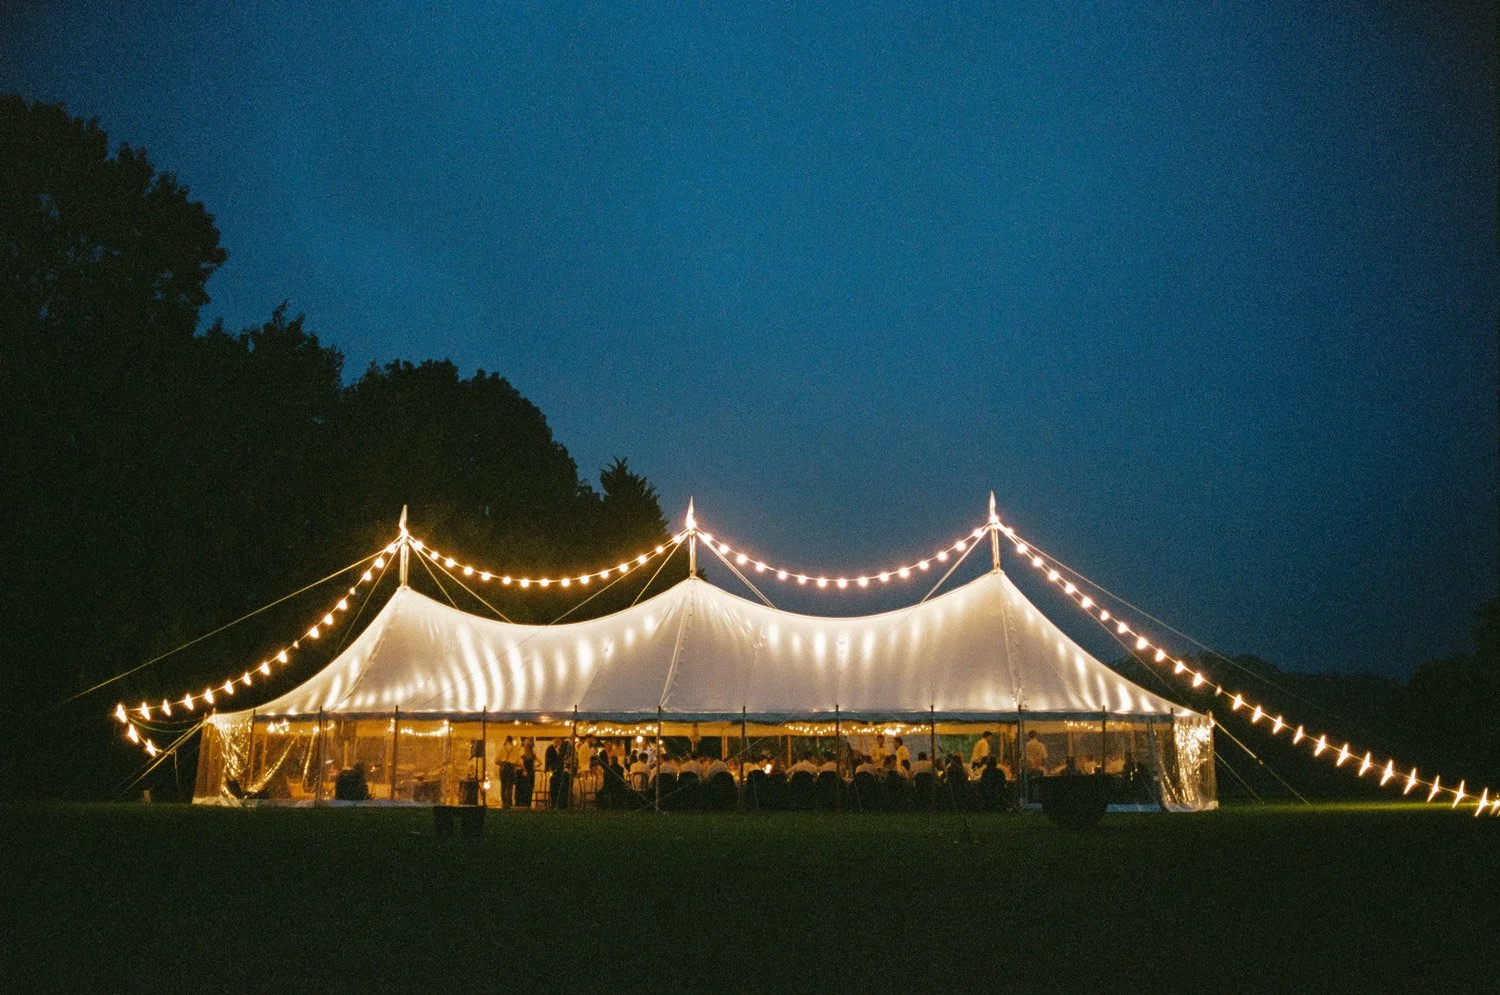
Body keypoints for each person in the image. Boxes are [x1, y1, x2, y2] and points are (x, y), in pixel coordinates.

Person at [496, 736, 519, 808]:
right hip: (511, 768)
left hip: (503, 768)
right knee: (509, 786)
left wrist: (502, 763)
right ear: (512, 741)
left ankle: (503, 802)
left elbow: (496, 761)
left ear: (506, 740)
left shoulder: (502, 748)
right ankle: (508, 802)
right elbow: (517, 760)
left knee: (503, 785)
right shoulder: (515, 749)